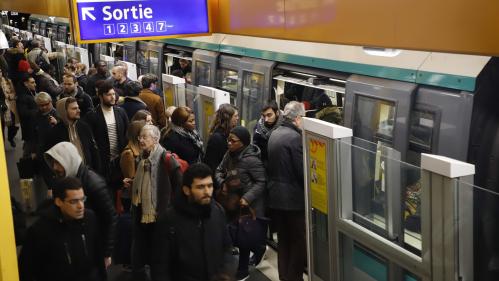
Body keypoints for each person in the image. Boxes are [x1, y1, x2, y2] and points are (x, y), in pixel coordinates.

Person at [152, 163, 233, 281]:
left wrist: (226, 272)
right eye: (200, 187)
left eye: (210, 186)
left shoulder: (217, 212)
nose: (207, 192)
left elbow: (227, 247)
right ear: (186, 190)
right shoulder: (169, 220)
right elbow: (160, 266)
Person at [44, 142, 117, 271]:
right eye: (53, 163)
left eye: (58, 162)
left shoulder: (94, 183)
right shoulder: (64, 181)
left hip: (93, 245)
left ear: (68, 160)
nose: (55, 167)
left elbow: (110, 218)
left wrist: (106, 253)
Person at [18, 177, 107, 281]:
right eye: (73, 201)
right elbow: (26, 270)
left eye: (82, 199)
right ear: (59, 202)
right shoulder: (39, 230)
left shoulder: (90, 218)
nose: (80, 206)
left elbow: (98, 257)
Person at [125, 124, 182, 281]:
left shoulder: (167, 160)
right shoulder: (141, 159)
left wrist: (172, 213)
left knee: (160, 257)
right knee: (139, 254)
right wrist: (133, 184)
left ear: (156, 139)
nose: (141, 140)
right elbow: (143, 184)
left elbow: (179, 188)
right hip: (141, 215)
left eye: (145, 137)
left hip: (160, 217)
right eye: (140, 137)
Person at [215, 126, 267, 280]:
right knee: (240, 235)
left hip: (249, 205)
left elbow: (261, 182)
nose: (229, 143)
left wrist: (247, 198)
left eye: (233, 141)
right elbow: (218, 170)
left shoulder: (251, 160)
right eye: (228, 140)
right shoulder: (228, 155)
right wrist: (222, 182)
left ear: (243, 143)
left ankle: (243, 270)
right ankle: (258, 249)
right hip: (232, 202)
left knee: (245, 236)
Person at [267, 101, 306, 281]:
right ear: (298, 118)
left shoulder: (275, 133)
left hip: (275, 197)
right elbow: (301, 172)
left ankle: (284, 276)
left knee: (284, 240)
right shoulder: (295, 138)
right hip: (293, 200)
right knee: (299, 242)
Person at [84, 80, 129, 187]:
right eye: (109, 95)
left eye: (113, 94)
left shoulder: (120, 112)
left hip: (120, 161)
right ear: (100, 96)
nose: (113, 97)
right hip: (102, 163)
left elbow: (127, 133)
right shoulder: (92, 116)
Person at [45, 97, 101, 174]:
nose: (79, 110)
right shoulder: (55, 133)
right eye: (74, 109)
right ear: (64, 111)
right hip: (68, 180)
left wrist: (96, 173)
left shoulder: (84, 127)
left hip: (88, 175)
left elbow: (94, 151)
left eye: (78, 108)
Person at [204, 104, 239, 176]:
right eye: (235, 116)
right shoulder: (217, 138)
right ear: (228, 118)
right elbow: (212, 165)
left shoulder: (228, 134)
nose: (237, 118)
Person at [253, 100, 283, 166]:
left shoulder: (285, 127)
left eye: (269, 115)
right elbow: (255, 148)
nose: (266, 119)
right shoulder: (258, 127)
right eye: (264, 116)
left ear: (277, 113)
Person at [17, 74, 38, 158]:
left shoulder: (29, 93)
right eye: (32, 82)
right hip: (30, 129)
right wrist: (38, 110)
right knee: (28, 151)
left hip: (32, 128)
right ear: (26, 84)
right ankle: (26, 168)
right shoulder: (23, 97)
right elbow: (23, 112)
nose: (35, 84)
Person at [0, 67, 19, 147]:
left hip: (9, 105)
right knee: (2, 127)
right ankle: (2, 145)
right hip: (1, 107)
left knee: (12, 126)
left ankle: (10, 138)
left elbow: (13, 91)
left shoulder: (7, 80)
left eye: (0, 71)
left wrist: (10, 96)